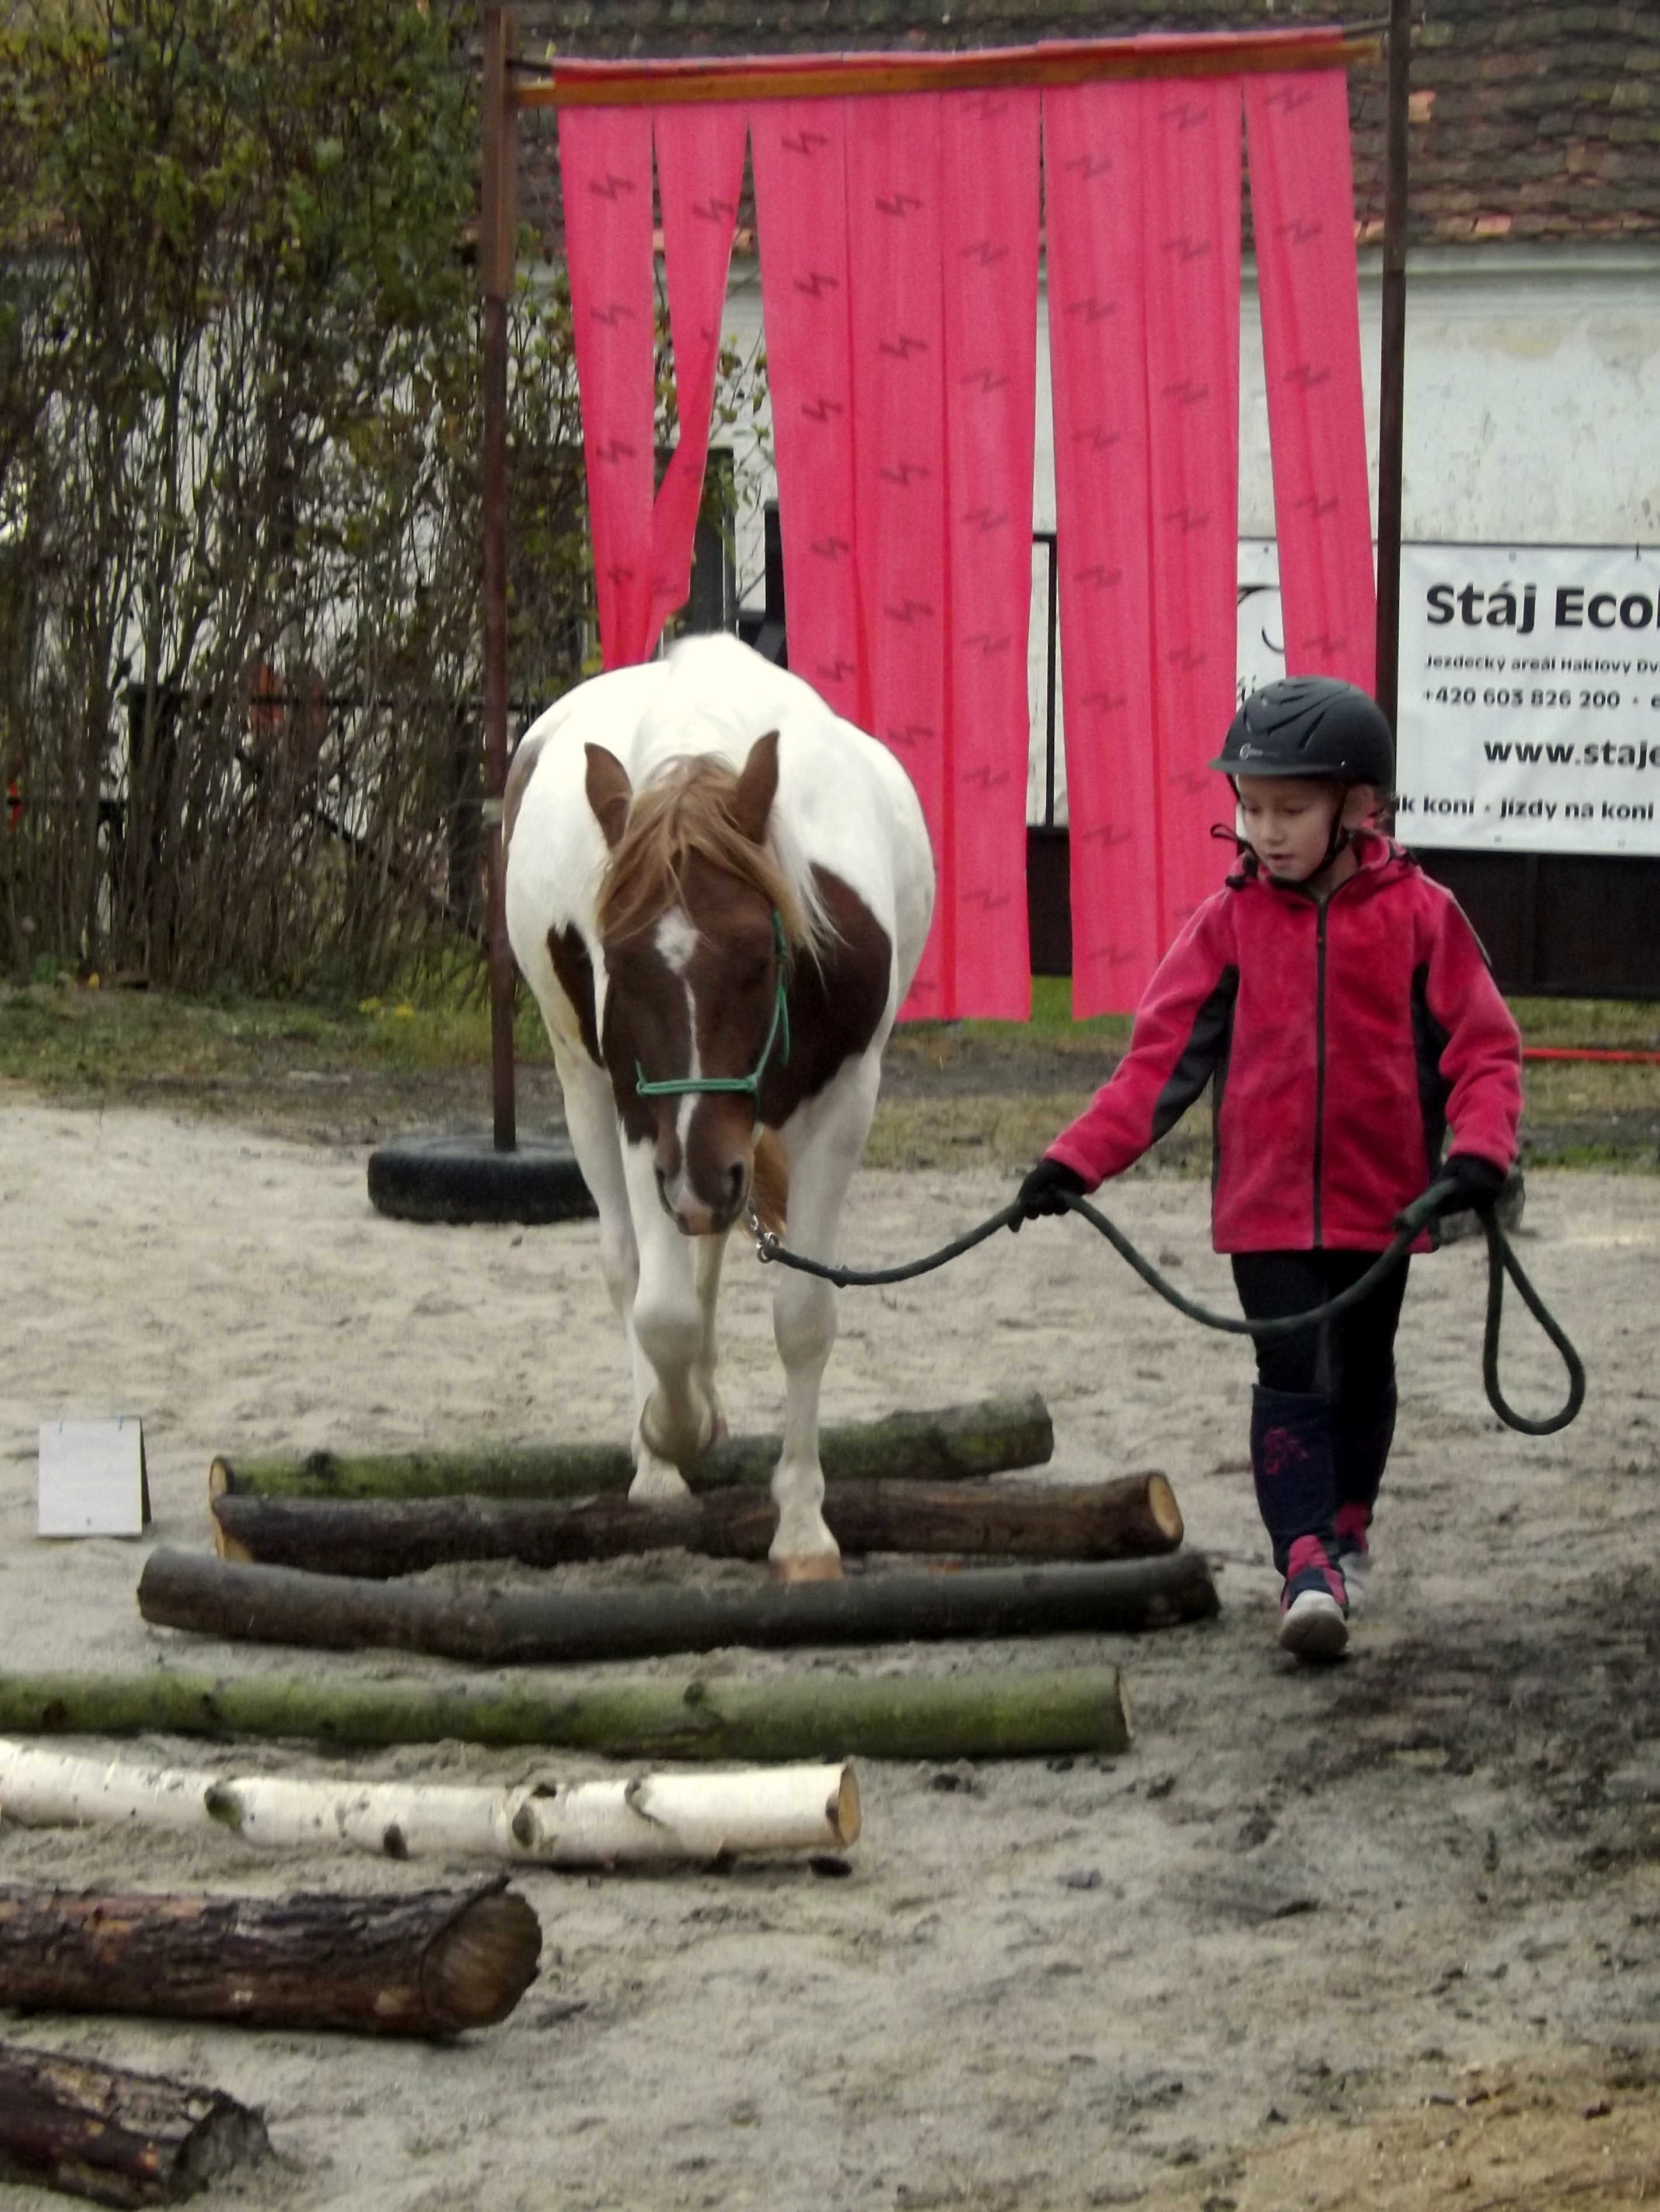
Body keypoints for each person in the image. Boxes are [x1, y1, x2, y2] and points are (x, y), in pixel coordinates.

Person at [1014, 677, 1522, 1661]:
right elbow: (1154, 1067)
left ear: (1359, 809)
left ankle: (1347, 1526)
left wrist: (1477, 1154)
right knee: (1289, 1369)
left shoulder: (1424, 918)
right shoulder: (1225, 925)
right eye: (1249, 808)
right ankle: (1304, 1563)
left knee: (1363, 1368)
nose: (1265, 831)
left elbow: (1484, 1051)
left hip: (1388, 1205)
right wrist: (1071, 1163)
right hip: (1265, 1210)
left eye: (1289, 810)